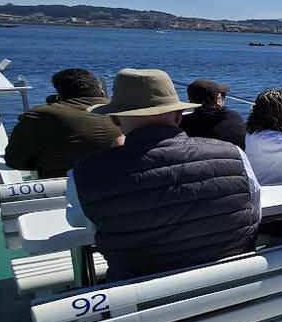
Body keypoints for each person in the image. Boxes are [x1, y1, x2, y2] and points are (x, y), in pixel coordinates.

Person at [65, 68, 262, 282]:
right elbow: (254, 211)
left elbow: (79, 220)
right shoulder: (235, 156)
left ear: (114, 120)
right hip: (237, 293)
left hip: (142, 306)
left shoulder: (86, 173)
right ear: (179, 116)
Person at [4, 68, 120, 178]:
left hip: (64, 188)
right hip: (123, 181)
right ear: (101, 92)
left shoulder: (39, 115)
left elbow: (14, 160)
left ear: (60, 95)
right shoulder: (125, 109)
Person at [179, 78, 246, 148]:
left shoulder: (183, 124)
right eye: (222, 96)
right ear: (218, 101)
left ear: (191, 101)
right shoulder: (234, 117)